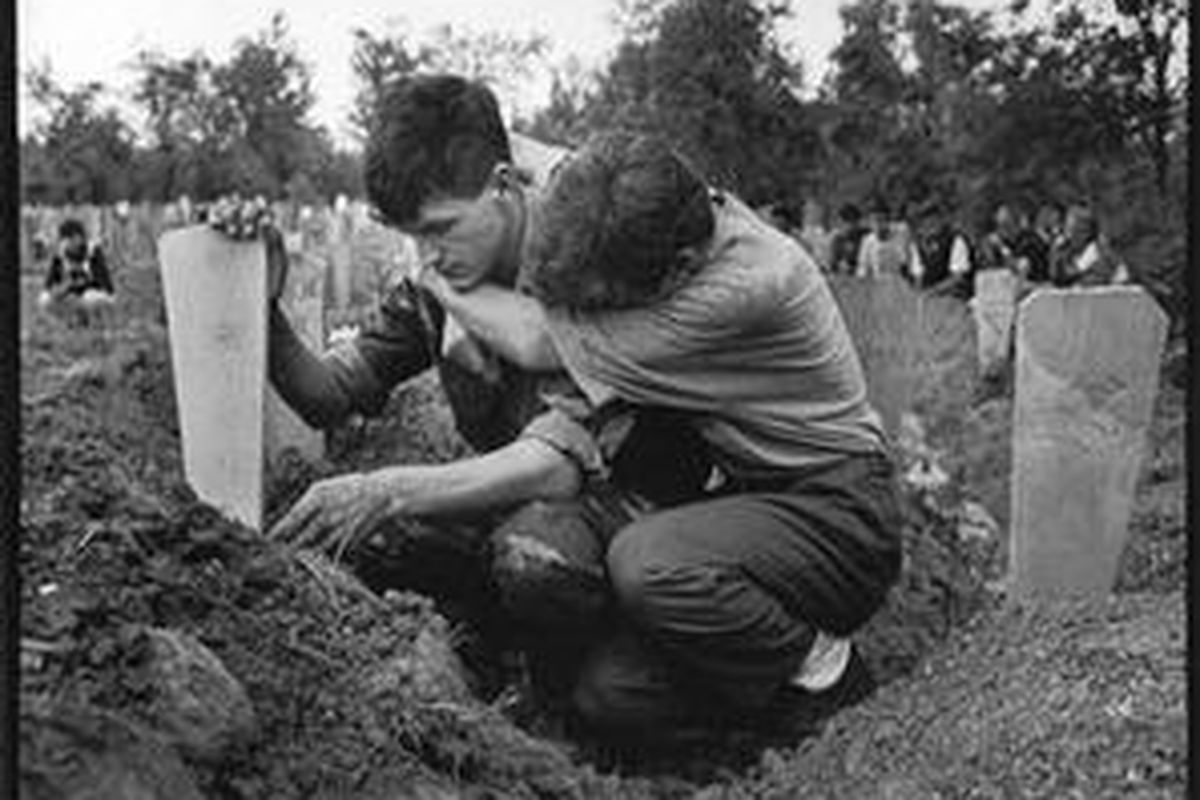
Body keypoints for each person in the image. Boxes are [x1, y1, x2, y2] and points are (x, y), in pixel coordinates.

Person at [211, 75, 714, 697]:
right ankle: (498, 652)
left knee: (538, 564)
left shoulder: (587, 255)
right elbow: (328, 396)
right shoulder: (439, 278)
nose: (427, 253)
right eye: (412, 234)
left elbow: (557, 466)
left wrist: (385, 490)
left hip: (638, 515)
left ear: (503, 185)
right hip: (524, 502)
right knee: (362, 535)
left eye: (442, 227)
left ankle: (569, 689)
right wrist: (262, 301)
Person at [432, 131, 902, 742]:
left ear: (677, 270)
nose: (595, 310)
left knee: (647, 563)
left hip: (838, 516)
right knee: (612, 698)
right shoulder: (670, 214)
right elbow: (527, 148)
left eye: (607, 302)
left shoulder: (738, 292)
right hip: (751, 504)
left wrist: (438, 282)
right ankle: (760, 706)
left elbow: (532, 338)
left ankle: (825, 672)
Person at [37, 218, 115, 326]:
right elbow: (49, 284)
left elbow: (105, 285)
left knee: (89, 298)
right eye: (65, 240)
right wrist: (58, 291)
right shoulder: (60, 254)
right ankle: (67, 321)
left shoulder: (93, 251)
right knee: (45, 299)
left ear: (79, 238)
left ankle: (93, 321)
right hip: (71, 296)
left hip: (95, 294)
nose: (68, 243)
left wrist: (78, 284)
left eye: (71, 238)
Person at [1050, 203, 1129, 287]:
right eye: (1067, 230)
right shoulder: (1067, 252)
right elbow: (1057, 279)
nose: (1067, 236)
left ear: (1086, 232)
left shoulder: (1102, 253)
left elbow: (1121, 276)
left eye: (1072, 231)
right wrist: (1056, 254)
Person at [856, 198, 925, 284]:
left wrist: (917, 276)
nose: (878, 225)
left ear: (888, 221)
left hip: (902, 283)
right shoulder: (867, 241)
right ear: (869, 223)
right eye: (874, 221)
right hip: (879, 285)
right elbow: (862, 268)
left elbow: (914, 259)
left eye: (881, 220)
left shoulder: (902, 233)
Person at [828, 203, 868, 276]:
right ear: (841, 222)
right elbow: (833, 265)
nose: (855, 225)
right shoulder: (837, 240)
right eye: (851, 222)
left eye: (856, 222)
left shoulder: (866, 235)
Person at [796, 198, 834, 271]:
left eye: (809, 211)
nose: (805, 214)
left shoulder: (827, 233)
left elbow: (824, 258)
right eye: (805, 211)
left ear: (820, 212)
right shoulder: (806, 231)